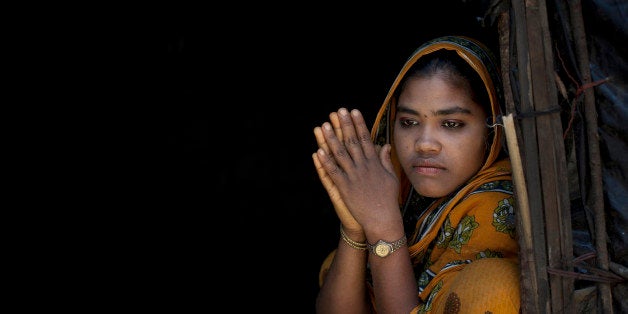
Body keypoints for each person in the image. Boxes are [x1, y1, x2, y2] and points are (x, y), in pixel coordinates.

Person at [312, 35, 520, 313]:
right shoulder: (401, 198)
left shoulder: (500, 208)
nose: (424, 143)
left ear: (492, 128)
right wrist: (356, 228)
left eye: (451, 124)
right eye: (409, 122)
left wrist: (384, 227)